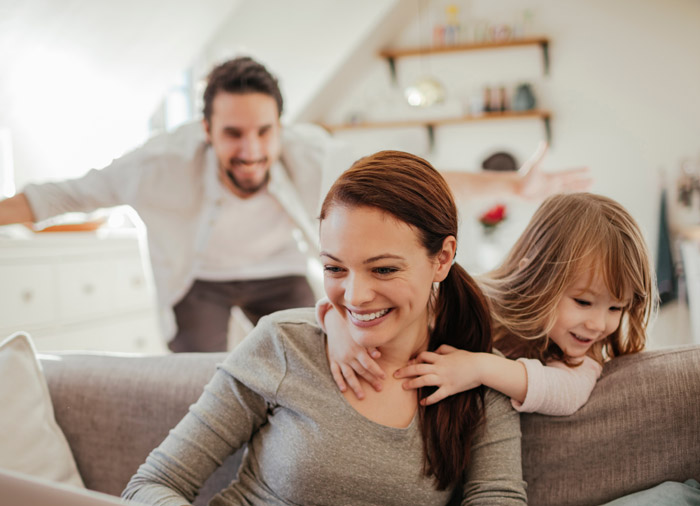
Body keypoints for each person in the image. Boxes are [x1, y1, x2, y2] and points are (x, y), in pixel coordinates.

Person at [121, 150, 531, 506]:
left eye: (383, 269)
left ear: (442, 258)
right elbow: (147, 488)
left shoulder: (476, 391)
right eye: (335, 268)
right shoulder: (286, 344)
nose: (355, 297)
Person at [0, 56, 591, 353]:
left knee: (321, 354)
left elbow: (411, 174)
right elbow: (59, 196)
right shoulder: (155, 168)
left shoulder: (312, 155)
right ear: (207, 129)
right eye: (233, 134)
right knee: (197, 375)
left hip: (279, 269)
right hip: (198, 279)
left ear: (281, 126)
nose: (251, 150)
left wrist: (513, 187)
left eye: (264, 131)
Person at [318, 192, 655, 416]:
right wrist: (339, 328)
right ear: (534, 277)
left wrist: (479, 368)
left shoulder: (583, 353)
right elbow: (361, 301)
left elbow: (568, 392)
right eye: (583, 302)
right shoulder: (473, 298)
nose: (599, 324)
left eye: (616, 308)